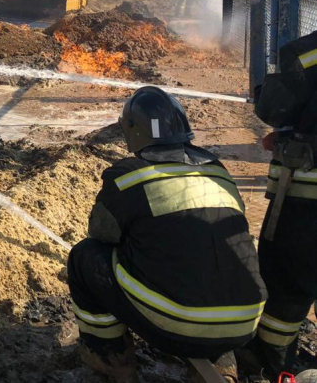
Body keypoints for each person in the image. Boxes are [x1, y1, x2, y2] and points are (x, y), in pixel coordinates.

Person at [68, 86, 266, 382]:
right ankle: (221, 365)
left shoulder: (128, 176)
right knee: (213, 271)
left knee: (85, 257)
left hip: (179, 326)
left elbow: (100, 232)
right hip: (245, 322)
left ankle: (112, 359)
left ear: (133, 131)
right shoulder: (219, 171)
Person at [241, 30, 317, 379]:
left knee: (286, 284)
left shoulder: (308, 55)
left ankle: (272, 364)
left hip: (306, 202)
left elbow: (274, 104)